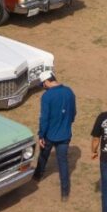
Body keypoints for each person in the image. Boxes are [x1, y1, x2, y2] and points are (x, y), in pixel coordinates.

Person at [33, 71, 75, 199]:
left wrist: (41, 135)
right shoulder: (69, 91)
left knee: (43, 155)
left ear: (46, 82)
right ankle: (65, 193)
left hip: (49, 135)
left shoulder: (47, 96)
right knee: (63, 163)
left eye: (42, 85)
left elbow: (44, 118)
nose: (42, 87)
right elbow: (73, 113)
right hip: (65, 134)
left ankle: (37, 175)